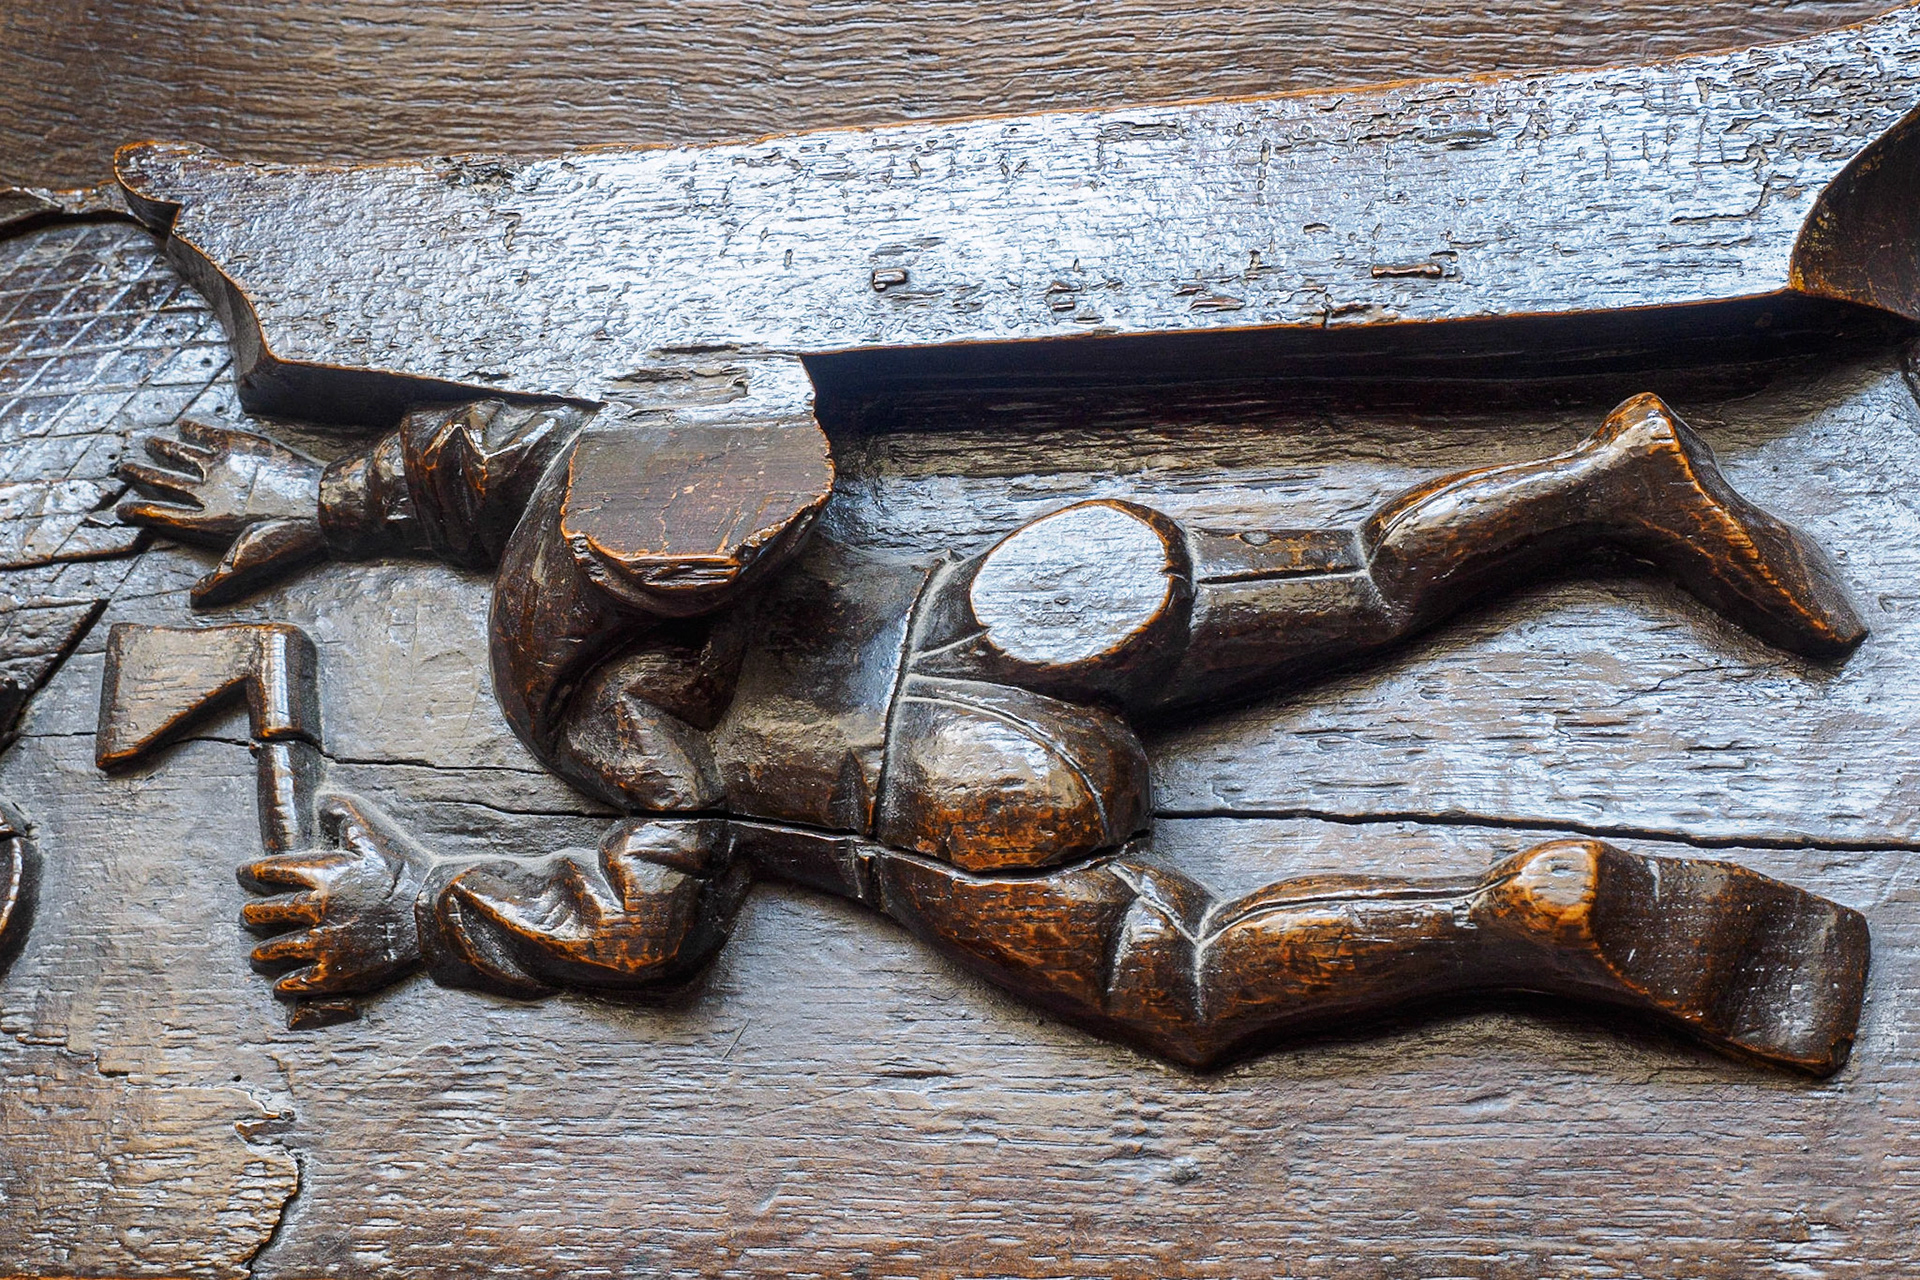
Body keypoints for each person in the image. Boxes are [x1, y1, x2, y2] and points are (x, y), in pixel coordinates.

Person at [118, 391, 1871, 1073]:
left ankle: (1511, 917)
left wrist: (430, 907)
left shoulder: (634, 718)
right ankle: (1599, 483)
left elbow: (649, 918)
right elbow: (455, 458)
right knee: (1359, 572)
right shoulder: (595, 449)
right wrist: (320, 498)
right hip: (1019, 598)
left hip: (939, 800)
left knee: (1183, 983)